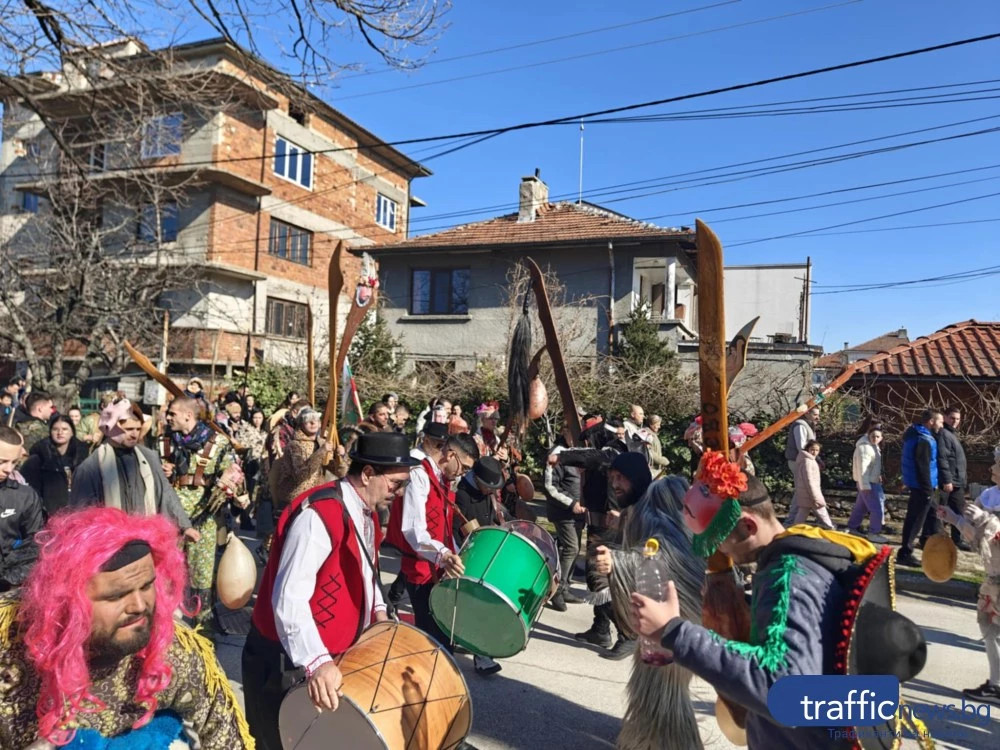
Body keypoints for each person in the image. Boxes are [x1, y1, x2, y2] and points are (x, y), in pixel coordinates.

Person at [631, 451, 930, 750]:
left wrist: (674, 631)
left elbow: (784, 688)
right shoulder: (801, 556)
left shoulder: (788, 574)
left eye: (719, 540)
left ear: (748, 526)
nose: (720, 552)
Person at [0, 507, 253, 748]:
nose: (139, 605)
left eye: (146, 586)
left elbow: (226, 737)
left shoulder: (176, 654)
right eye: (116, 596)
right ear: (65, 603)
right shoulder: (10, 653)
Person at [243, 432, 417, 750]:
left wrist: (379, 614)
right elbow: (289, 598)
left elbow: (368, 574)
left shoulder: (366, 513)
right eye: (395, 483)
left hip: (329, 662)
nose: (400, 492)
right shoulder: (318, 515)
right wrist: (317, 662)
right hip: (284, 663)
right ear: (367, 475)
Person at [605, 475, 705, 750]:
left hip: (667, 629)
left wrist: (615, 562)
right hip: (688, 625)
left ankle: (669, 744)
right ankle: (647, 739)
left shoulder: (660, 526)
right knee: (664, 693)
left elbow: (648, 558)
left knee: (664, 697)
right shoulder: (694, 529)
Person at [385, 425, 477, 647]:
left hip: (437, 567)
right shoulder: (418, 473)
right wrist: (443, 555)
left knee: (442, 637)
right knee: (431, 640)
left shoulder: (439, 476)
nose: (463, 474)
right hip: (421, 569)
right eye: (463, 468)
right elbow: (413, 529)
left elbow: (442, 526)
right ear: (451, 454)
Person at [164, 397, 245, 628]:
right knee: (168, 576)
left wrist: (230, 479)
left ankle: (204, 633)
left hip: (204, 519)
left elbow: (235, 478)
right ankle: (167, 632)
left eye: (172, 414)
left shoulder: (218, 443)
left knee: (202, 580)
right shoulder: (165, 441)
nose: (168, 418)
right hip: (171, 519)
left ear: (188, 416)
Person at [554, 417, 630, 651]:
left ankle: (627, 634)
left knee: (598, 580)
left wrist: (561, 457)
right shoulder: (613, 453)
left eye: (589, 439)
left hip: (610, 528)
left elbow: (592, 456)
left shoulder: (611, 453)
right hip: (602, 525)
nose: (587, 444)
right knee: (599, 580)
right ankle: (600, 628)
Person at [70, 398, 193, 534]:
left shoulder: (149, 457)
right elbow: (81, 515)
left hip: (145, 539)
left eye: (138, 429)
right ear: (112, 428)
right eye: (129, 429)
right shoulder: (91, 467)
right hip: (110, 542)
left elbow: (166, 492)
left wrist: (185, 526)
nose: (134, 434)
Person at [588, 451, 653, 660]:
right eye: (612, 477)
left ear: (635, 477)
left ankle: (629, 636)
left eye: (620, 478)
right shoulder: (636, 502)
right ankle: (602, 629)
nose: (615, 484)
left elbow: (654, 547)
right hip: (633, 559)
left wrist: (617, 561)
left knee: (605, 579)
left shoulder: (653, 504)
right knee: (595, 568)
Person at [936, 495, 1000, 706]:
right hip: (994, 585)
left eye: (997, 464)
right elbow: (983, 540)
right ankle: (995, 685)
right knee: (991, 631)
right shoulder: (991, 493)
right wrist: (955, 520)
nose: (992, 468)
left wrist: (984, 519)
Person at [452, 454, 506, 676]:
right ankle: (480, 656)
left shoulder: (486, 494)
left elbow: (488, 517)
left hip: (484, 549)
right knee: (474, 604)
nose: (489, 491)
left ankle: (478, 650)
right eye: (487, 487)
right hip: (466, 553)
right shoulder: (462, 494)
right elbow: (458, 528)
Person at [897, 408, 944, 568]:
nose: (941, 425)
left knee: (934, 516)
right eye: (940, 422)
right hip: (923, 486)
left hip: (925, 485)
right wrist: (927, 490)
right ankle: (905, 553)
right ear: (931, 422)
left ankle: (931, 547)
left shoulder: (920, 436)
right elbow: (922, 466)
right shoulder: (922, 439)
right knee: (916, 519)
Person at [543, 441, 586, 612]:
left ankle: (565, 587)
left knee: (573, 549)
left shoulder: (581, 452)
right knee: (571, 547)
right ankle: (556, 591)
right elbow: (550, 486)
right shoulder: (558, 453)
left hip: (579, 513)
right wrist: (571, 503)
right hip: (563, 512)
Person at [0, 426, 44, 590]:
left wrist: (10, 578)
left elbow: (36, 542)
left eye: (14, 462)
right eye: (2, 461)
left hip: (10, 587)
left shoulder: (24, 496)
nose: (9, 469)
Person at [20, 413, 89, 517]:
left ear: (72, 432)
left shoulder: (83, 457)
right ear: (50, 432)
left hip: (78, 515)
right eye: (55, 429)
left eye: (65, 429)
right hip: (47, 516)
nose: (60, 432)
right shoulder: (38, 458)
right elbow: (29, 493)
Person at [922, 405, 970, 550]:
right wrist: (947, 480)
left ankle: (957, 539)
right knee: (939, 511)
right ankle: (927, 539)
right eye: (952, 418)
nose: (955, 421)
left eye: (958, 419)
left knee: (957, 510)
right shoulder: (943, 434)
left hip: (956, 481)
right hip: (948, 482)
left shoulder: (951, 434)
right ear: (946, 417)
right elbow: (942, 458)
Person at [272, 407, 332, 511]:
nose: (313, 423)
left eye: (316, 420)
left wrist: (342, 456)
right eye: (308, 421)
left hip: (316, 496)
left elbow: (335, 471)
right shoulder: (294, 445)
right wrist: (321, 452)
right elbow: (300, 474)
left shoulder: (322, 443)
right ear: (301, 424)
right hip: (295, 499)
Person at [847, 424, 887, 543]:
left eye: (878, 436)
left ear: (881, 438)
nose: (875, 438)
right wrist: (865, 485)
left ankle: (852, 527)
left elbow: (871, 466)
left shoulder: (872, 446)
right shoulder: (865, 448)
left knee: (861, 507)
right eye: (873, 436)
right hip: (868, 483)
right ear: (868, 435)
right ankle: (874, 533)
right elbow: (862, 468)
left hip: (869, 481)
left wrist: (877, 475)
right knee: (876, 509)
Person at [783, 405, 820, 524]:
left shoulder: (808, 426)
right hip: (798, 461)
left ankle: (795, 519)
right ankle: (791, 520)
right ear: (807, 413)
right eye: (815, 414)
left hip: (805, 461)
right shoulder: (800, 426)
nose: (818, 417)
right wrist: (813, 460)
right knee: (802, 490)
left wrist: (817, 460)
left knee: (804, 489)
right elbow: (802, 447)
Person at [788, 440, 835, 529]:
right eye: (812, 449)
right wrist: (815, 496)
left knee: (802, 514)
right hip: (811, 493)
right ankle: (831, 528)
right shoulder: (808, 462)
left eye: (817, 450)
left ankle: (794, 530)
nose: (814, 452)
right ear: (808, 449)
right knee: (822, 513)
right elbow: (809, 480)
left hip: (805, 493)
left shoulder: (805, 460)